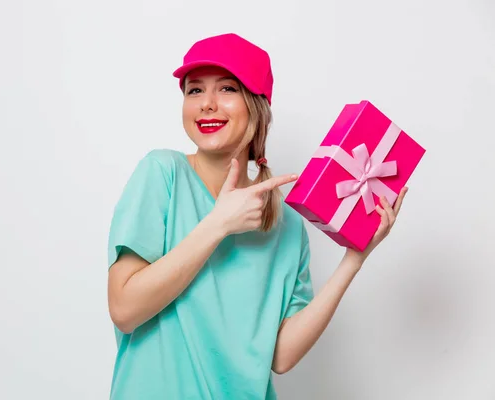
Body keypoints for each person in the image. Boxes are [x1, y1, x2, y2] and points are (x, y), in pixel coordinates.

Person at [106, 33, 407, 400]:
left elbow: (280, 355)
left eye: (227, 89)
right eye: (195, 91)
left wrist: (353, 259)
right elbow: (123, 308)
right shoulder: (162, 174)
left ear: (256, 105)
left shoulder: (288, 224)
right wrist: (218, 225)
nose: (207, 104)